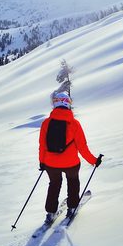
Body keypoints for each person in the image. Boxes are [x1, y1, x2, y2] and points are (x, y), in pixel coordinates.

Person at [39, 91, 101, 224]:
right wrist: (94, 161)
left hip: (50, 163)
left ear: (55, 104)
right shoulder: (74, 124)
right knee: (73, 182)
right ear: (68, 105)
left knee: (54, 184)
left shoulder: (46, 123)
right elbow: (82, 147)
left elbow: (42, 145)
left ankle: (50, 213)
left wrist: (42, 162)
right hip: (71, 163)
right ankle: (72, 207)